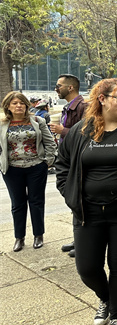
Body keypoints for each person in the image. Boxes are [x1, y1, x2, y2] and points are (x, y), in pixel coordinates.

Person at [55, 78, 117, 325]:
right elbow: (62, 166)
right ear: (102, 99)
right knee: (87, 267)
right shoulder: (80, 131)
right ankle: (105, 298)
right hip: (87, 214)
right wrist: (70, 195)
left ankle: (116, 315)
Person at [1, 92, 57, 252]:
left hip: (36, 168)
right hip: (12, 170)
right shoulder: (2, 124)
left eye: (21, 103)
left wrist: (47, 162)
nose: (18, 106)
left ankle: (38, 235)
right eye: (14, 103)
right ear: (8, 107)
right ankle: (19, 238)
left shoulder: (38, 121)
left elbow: (50, 143)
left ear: (27, 105)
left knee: (36, 202)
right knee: (17, 204)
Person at [50, 74, 87, 258]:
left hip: (78, 161)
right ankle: (77, 239)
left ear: (70, 88)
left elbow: (86, 133)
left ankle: (82, 242)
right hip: (69, 159)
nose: (56, 89)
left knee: (78, 200)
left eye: (59, 86)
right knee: (73, 202)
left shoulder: (82, 107)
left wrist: (62, 130)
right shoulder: (68, 107)